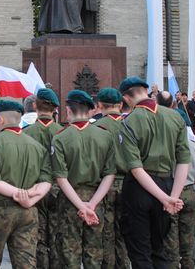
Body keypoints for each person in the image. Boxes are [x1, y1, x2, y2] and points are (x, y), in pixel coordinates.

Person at [118, 77, 190, 268]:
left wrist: (166, 199)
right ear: (146, 90)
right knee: (159, 250)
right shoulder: (175, 116)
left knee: (140, 252)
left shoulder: (128, 122)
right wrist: (172, 197)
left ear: (126, 98)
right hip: (167, 185)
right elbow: (184, 160)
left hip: (139, 188)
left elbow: (136, 167)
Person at [0, 100, 52, 268]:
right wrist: (29, 198)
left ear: (1, 120)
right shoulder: (36, 146)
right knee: (26, 262)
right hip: (28, 210)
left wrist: (18, 192)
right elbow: (47, 180)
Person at [51, 90, 116, 268]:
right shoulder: (105, 135)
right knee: (94, 250)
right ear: (89, 111)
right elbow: (110, 173)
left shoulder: (60, 137)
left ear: (68, 110)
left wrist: (81, 206)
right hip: (97, 198)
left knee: (69, 251)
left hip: (70, 200)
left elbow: (60, 177)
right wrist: (92, 205)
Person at [160, 92, 195, 269]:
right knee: (189, 241)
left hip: (170, 192)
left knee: (170, 241)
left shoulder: (165, 145)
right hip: (189, 193)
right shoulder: (194, 147)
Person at [23, 88, 62, 268]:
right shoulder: (63, 132)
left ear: (34, 106)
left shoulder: (26, 134)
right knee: (57, 237)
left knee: (37, 238)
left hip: (34, 190)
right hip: (59, 189)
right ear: (55, 108)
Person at [91, 87, 130, 268]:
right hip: (130, 184)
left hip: (104, 186)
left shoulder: (96, 127)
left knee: (106, 234)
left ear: (99, 105)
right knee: (125, 233)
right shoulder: (130, 124)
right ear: (121, 104)